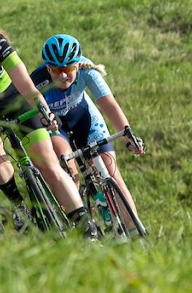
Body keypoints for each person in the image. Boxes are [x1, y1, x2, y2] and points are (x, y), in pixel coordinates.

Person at [0, 6, 95, 236]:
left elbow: (26, 86)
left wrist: (44, 111)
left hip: (14, 99)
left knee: (48, 164)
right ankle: (19, 205)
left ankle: (85, 225)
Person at [31, 34, 145, 221]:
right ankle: (82, 227)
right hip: (56, 128)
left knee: (113, 175)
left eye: (68, 68)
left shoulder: (87, 70)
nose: (63, 75)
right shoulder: (37, 81)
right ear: (47, 68)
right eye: (56, 70)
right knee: (70, 172)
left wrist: (128, 136)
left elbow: (109, 105)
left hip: (84, 118)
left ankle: (136, 236)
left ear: (77, 65)